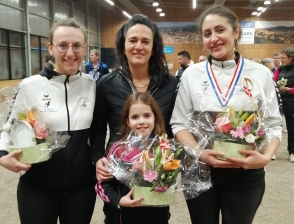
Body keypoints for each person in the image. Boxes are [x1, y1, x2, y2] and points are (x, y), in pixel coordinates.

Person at [170, 6, 282, 224]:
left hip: (246, 171)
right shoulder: (191, 74)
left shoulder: (260, 74)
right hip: (200, 171)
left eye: (220, 30)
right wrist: (201, 153)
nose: (214, 38)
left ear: (236, 32)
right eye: (207, 33)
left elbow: (274, 124)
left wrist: (265, 158)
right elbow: (178, 123)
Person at [0, 18, 97, 224]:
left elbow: (98, 133)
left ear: (84, 48)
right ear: (50, 48)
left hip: (81, 190)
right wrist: (2, 155)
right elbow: (9, 126)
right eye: (62, 45)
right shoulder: (30, 85)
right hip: (37, 189)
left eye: (77, 45)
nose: (70, 53)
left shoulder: (91, 84)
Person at [92, 14, 178, 224]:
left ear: (154, 47)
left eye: (145, 41)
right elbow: (97, 129)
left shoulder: (171, 83)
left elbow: (174, 127)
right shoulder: (106, 84)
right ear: (123, 46)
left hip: (156, 171)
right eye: (132, 40)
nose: (138, 46)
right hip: (118, 172)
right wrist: (97, 159)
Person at [95, 92, 170, 224]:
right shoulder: (118, 150)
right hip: (123, 217)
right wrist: (118, 200)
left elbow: (169, 182)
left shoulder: (164, 148)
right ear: (128, 121)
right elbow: (103, 185)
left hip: (157, 217)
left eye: (147, 116)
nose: (141, 121)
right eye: (135, 117)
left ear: (155, 118)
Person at [273, 47, 294, 162]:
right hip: (278, 101)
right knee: (274, 126)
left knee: (291, 128)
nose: (281, 60)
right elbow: (273, 81)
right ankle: (272, 151)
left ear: (291, 58)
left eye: (283, 58)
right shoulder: (279, 68)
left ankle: (292, 151)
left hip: (291, 101)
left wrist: (290, 90)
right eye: (280, 58)